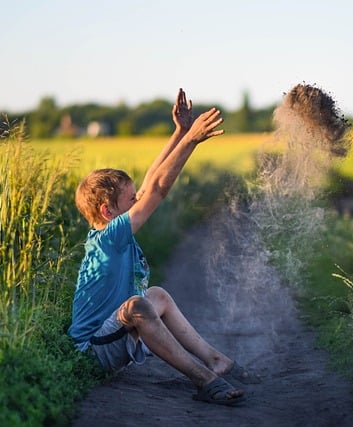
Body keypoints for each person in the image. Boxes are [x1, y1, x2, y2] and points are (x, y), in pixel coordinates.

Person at [68, 88, 259, 406]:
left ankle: (215, 360)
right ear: (108, 211)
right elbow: (157, 188)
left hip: (109, 338)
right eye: (130, 201)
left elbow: (147, 186)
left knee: (156, 295)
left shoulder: (113, 231)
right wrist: (192, 141)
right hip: (93, 351)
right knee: (138, 307)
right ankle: (205, 380)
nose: (137, 202)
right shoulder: (109, 238)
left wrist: (179, 132)